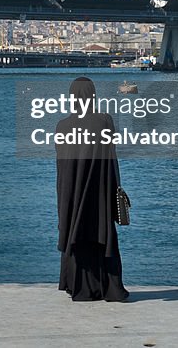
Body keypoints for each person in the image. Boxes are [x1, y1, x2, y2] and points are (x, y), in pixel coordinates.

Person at [55, 77, 129, 302]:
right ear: (93, 96)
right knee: (102, 235)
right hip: (100, 192)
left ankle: (78, 287)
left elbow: (62, 166)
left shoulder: (62, 125)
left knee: (76, 233)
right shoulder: (104, 120)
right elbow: (111, 156)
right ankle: (110, 288)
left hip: (72, 192)